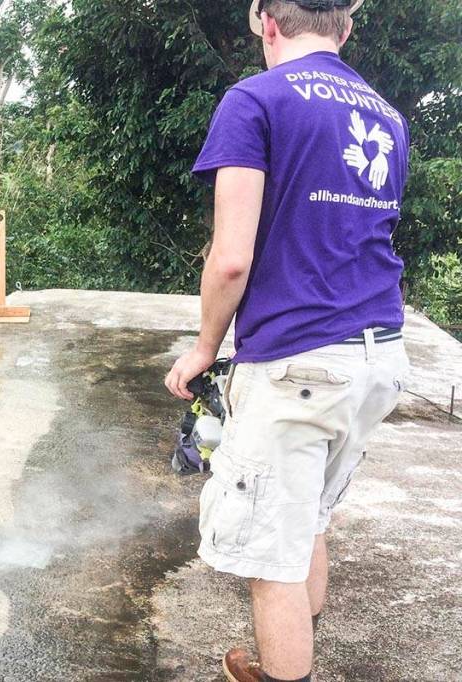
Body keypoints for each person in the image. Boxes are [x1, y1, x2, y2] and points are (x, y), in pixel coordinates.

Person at [164, 1, 410, 680]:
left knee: (270, 557)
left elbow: (231, 258)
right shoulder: (387, 114)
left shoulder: (256, 99)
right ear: (345, 29)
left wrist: (204, 347)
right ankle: (294, 646)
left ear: (265, 23)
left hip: (300, 361)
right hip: (379, 355)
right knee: (307, 519)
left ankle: (283, 668)